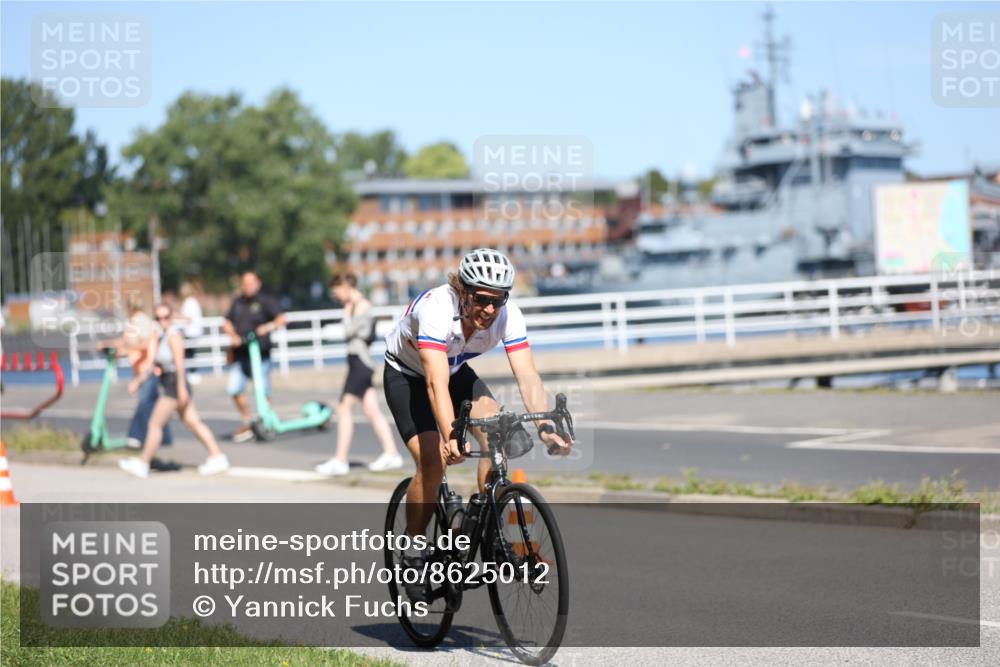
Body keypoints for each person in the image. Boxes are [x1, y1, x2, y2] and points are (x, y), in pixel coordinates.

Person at [381, 248, 573, 600]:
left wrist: (546, 426)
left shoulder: (506, 316)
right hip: (408, 376)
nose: (489, 309)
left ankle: (488, 527)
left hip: (454, 371)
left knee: (500, 434)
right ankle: (412, 549)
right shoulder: (437, 309)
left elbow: (527, 374)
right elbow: (434, 385)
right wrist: (450, 435)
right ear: (463, 291)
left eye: (498, 301)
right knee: (433, 461)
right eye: (482, 299)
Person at [118, 303, 229, 478]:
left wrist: (181, 389)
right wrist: (138, 381)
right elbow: (154, 363)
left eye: (166, 317)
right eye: (158, 318)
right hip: (171, 383)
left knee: (155, 424)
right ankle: (217, 456)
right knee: (193, 422)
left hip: (174, 385)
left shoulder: (173, 336)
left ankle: (143, 463)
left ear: (172, 317)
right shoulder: (162, 336)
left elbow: (179, 365)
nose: (162, 321)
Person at [315, 274, 403, 476]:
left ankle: (340, 459)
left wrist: (346, 316)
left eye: (337, 292)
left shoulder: (361, 306)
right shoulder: (356, 306)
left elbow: (353, 332)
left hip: (360, 363)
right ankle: (391, 453)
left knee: (343, 407)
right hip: (358, 362)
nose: (337, 296)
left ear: (346, 286)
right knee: (372, 410)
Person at [222, 271, 287, 442]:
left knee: (263, 391)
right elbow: (227, 322)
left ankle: (266, 420)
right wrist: (233, 336)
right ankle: (248, 422)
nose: (248, 287)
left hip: (260, 355)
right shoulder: (237, 302)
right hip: (241, 355)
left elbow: (282, 319)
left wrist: (268, 327)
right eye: (245, 283)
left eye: (251, 283)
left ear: (258, 283)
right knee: (235, 389)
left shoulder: (265, 301)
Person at [177, 281, 204, 385]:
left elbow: (189, 318)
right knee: (190, 354)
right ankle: (192, 374)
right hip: (192, 331)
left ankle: (193, 374)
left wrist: (176, 317)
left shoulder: (190, 302)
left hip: (191, 332)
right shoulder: (192, 301)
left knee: (189, 354)